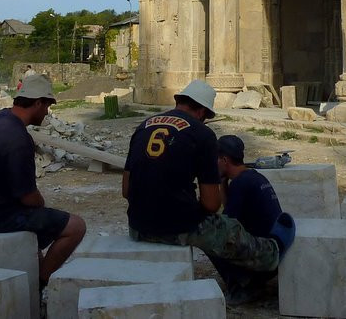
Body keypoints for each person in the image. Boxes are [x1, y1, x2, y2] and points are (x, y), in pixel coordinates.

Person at [122, 79, 294, 303]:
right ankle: (272, 252)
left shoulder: (143, 127)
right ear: (202, 111)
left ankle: (241, 283)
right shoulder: (202, 134)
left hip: (137, 226)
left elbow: (126, 190)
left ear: (180, 101)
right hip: (174, 227)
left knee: (208, 227)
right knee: (226, 229)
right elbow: (212, 204)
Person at [0, 74, 86, 287]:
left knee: (38, 223)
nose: (47, 113)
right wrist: (41, 204)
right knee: (76, 226)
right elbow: (28, 197)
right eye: (47, 106)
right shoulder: (18, 138)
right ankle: (40, 283)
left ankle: (36, 270)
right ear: (37, 103)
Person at [214, 134, 284, 303]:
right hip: (275, 251)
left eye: (215, 159)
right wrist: (222, 182)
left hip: (264, 260)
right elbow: (230, 209)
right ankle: (248, 281)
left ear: (224, 160)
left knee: (211, 237)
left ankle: (244, 287)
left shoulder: (240, 184)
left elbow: (225, 225)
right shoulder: (252, 176)